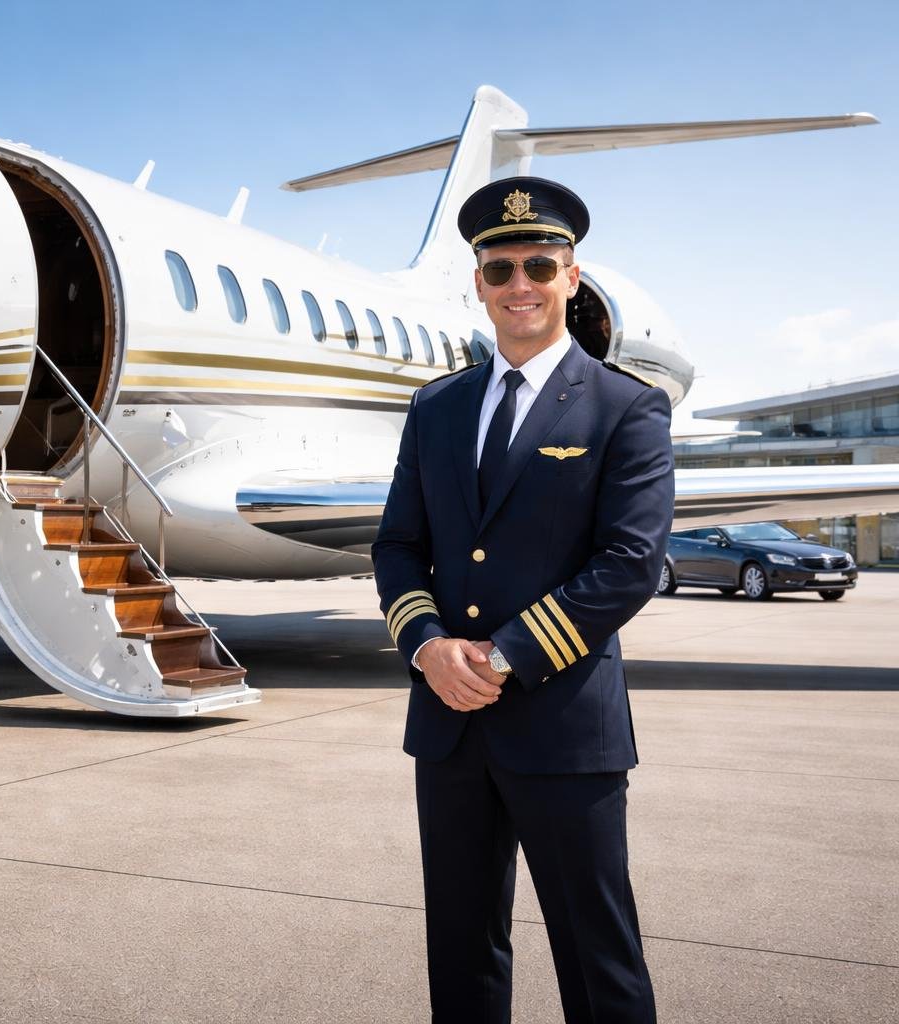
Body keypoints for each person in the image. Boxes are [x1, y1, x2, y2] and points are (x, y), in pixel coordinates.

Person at [371, 176, 674, 1023]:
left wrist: (502, 657)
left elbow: (628, 564)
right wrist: (428, 646)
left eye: (540, 265)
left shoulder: (627, 408)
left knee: (597, 955)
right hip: (449, 724)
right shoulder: (436, 408)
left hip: (564, 727)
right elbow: (398, 545)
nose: (519, 286)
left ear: (571, 278)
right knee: (461, 950)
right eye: (500, 269)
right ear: (478, 283)